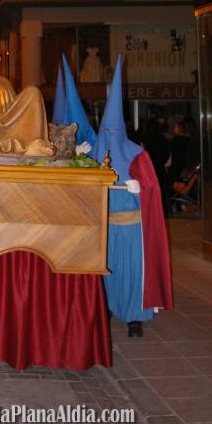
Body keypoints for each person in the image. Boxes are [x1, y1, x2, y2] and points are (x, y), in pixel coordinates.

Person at [92, 58, 173, 338]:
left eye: (115, 131)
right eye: (107, 131)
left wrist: (141, 189)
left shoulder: (137, 154)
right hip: (105, 228)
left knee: (131, 271)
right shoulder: (94, 154)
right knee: (107, 270)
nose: (111, 136)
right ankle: (106, 308)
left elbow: (153, 190)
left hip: (132, 228)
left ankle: (134, 317)